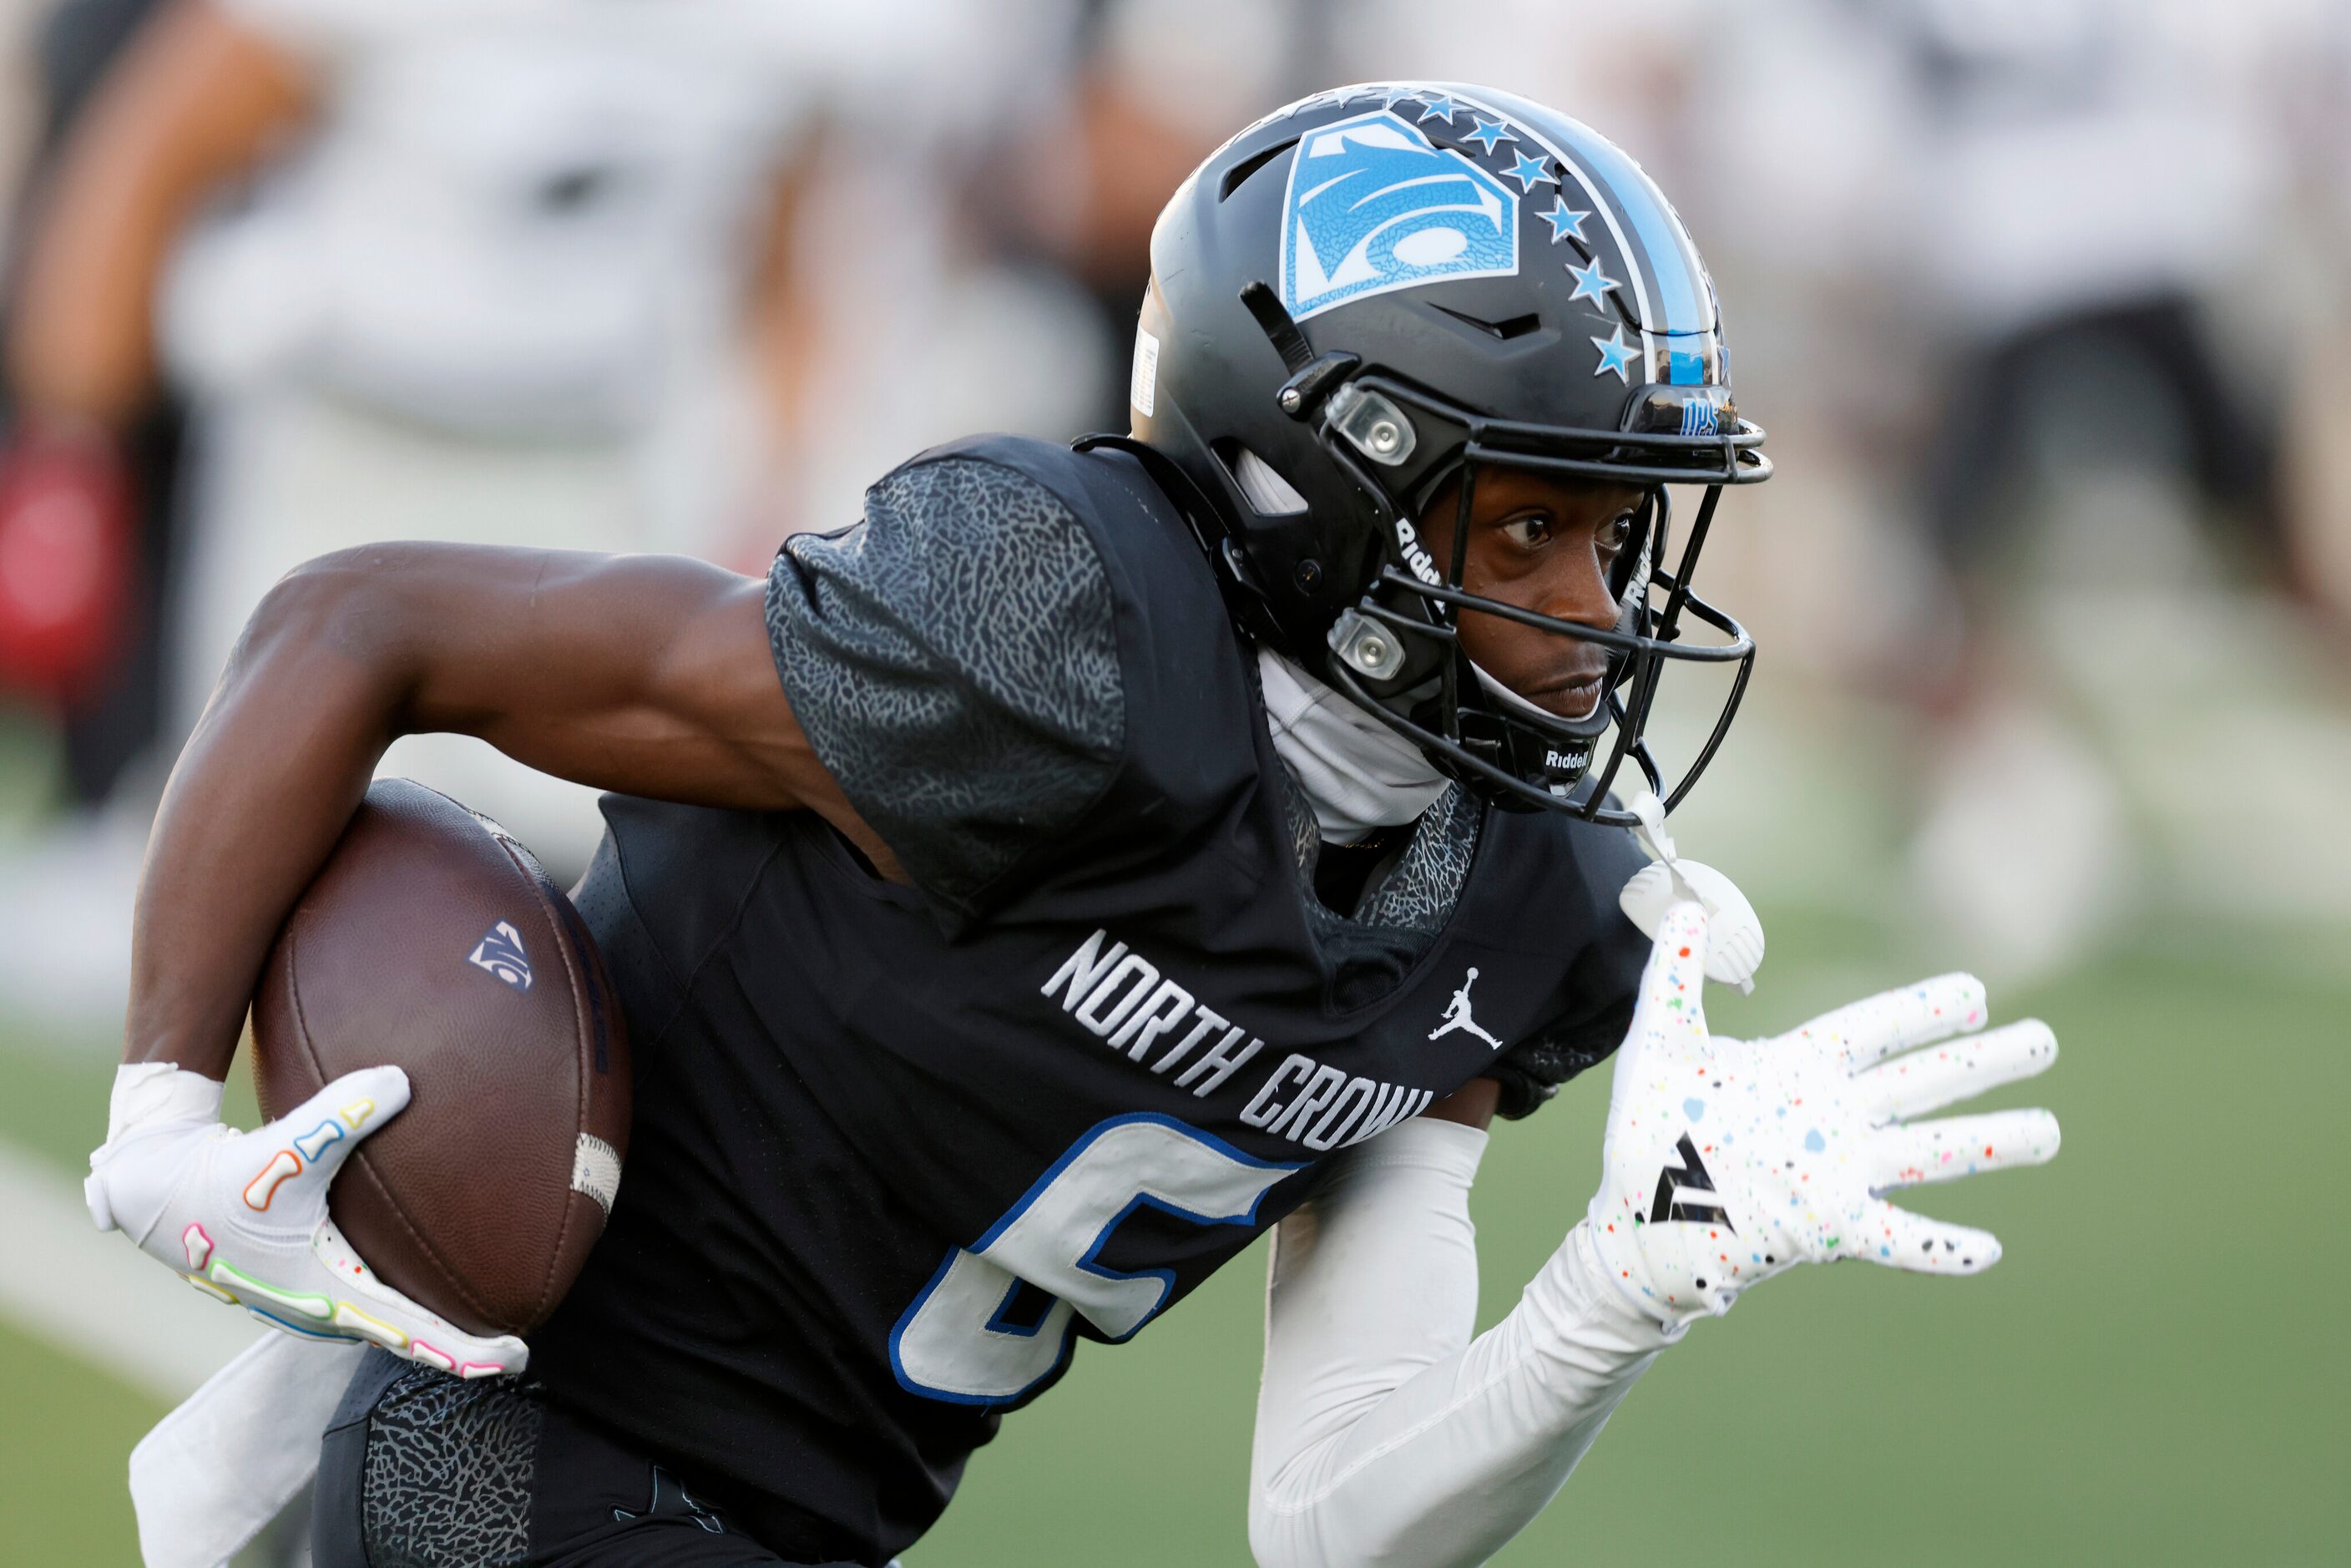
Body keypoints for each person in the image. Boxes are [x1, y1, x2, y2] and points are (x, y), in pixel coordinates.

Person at [83, 84, 2061, 1567]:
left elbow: (1331, 1517)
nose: (1603, 615)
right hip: (512, 1456)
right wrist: (163, 1102)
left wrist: (1608, 1298)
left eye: (1618, 536)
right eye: (1527, 530)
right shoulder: (1043, 649)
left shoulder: (1516, 895)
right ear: (1319, 487)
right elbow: (362, 621)